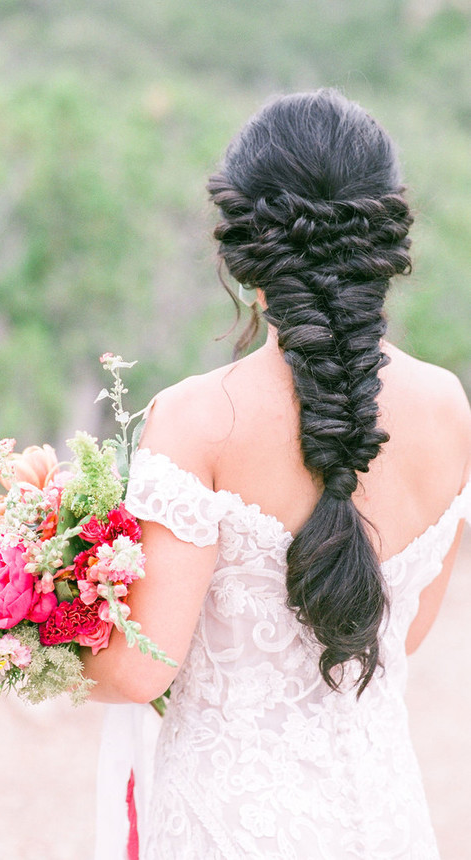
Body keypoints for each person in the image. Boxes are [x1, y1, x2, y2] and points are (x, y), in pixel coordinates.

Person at [82, 89, 471, 859]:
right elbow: (407, 631)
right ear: (384, 238)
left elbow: (137, 669)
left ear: (241, 246)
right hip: (382, 819)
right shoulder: (450, 407)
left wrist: (23, 622)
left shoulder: (198, 418)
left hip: (228, 826)